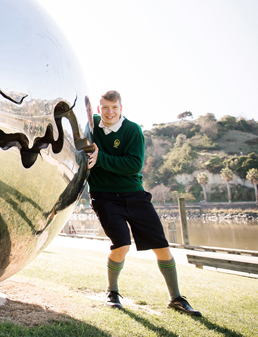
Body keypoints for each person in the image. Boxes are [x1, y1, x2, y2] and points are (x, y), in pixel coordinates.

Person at [86, 90, 201, 316]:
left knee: (162, 247)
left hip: (135, 195)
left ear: (121, 109)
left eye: (114, 107)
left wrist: (101, 158)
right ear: (99, 109)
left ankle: (176, 299)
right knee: (121, 245)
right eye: (105, 107)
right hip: (104, 196)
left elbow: (134, 164)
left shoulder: (132, 130)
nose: (109, 112)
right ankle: (112, 293)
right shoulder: (91, 125)